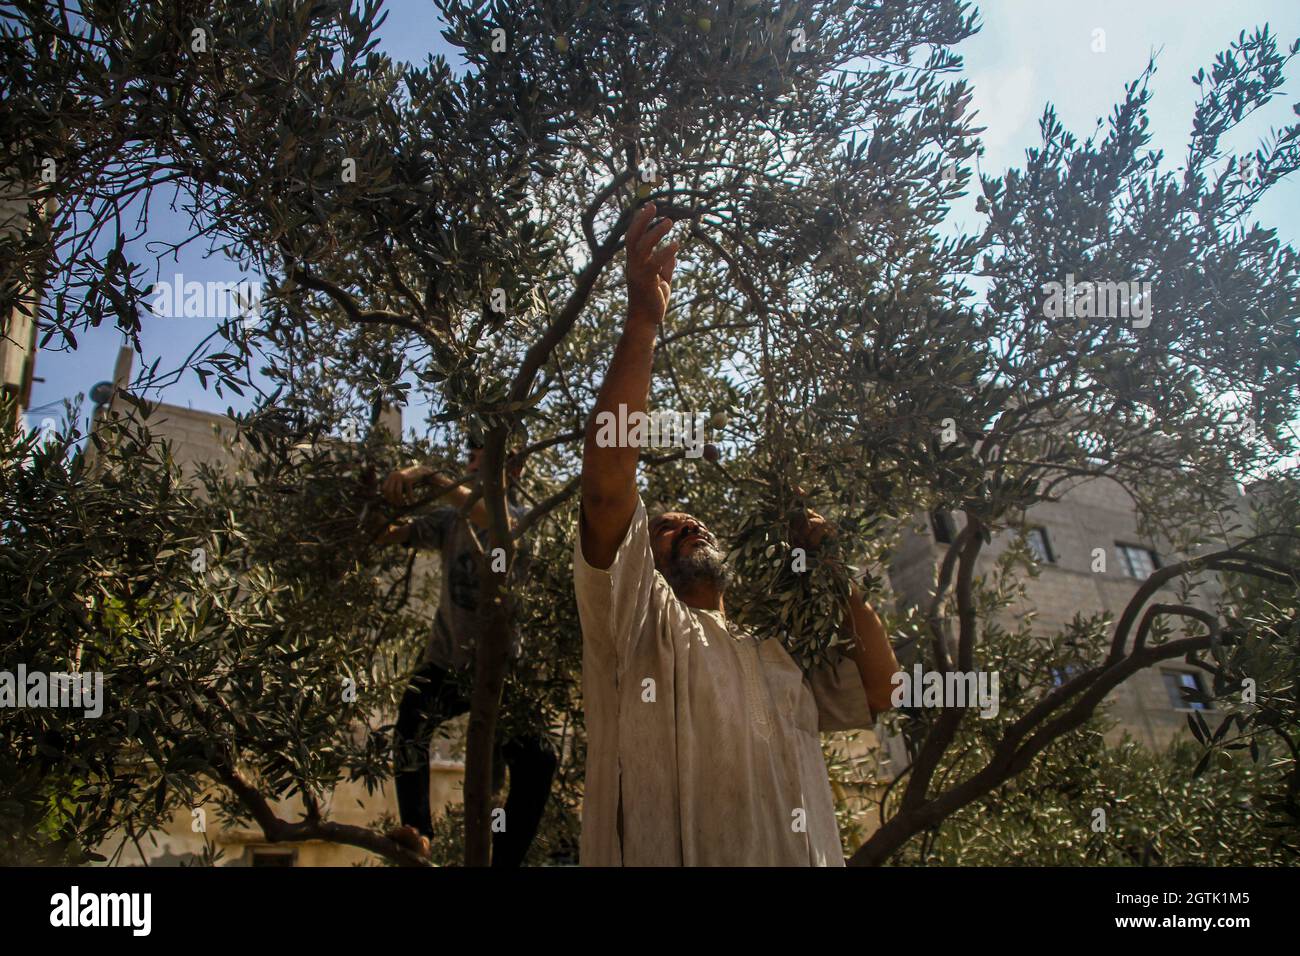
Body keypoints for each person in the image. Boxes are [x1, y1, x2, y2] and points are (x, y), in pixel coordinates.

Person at [574, 202, 901, 866]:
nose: (685, 525)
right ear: (646, 564)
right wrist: (643, 320)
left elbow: (883, 691)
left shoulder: (776, 655)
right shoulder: (634, 628)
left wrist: (836, 573)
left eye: (693, 522)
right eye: (664, 531)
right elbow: (608, 487)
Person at [379, 436, 557, 866]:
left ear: (511, 472)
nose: (474, 465)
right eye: (472, 459)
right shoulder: (448, 520)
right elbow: (391, 535)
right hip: (446, 662)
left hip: (502, 672)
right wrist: (374, 501)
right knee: (410, 726)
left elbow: (493, 520)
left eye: (485, 459)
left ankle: (506, 862)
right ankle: (419, 832)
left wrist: (425, 474)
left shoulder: (518, 520)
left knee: (539, 761)